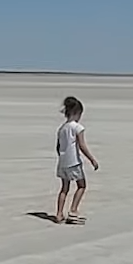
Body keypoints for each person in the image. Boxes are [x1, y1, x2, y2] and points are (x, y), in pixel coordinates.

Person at [53, 96, 99, 224]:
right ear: (76, 113)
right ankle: (73, 211)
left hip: (62, 162)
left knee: (64, 188)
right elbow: (82, 145)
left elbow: (58, 147)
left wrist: (62, 158)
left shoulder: (62, 128)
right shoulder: (77, 127)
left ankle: (59, 214)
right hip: (74, 162)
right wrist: (92, 159)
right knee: (82, 185)